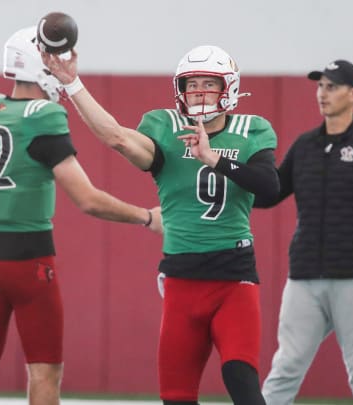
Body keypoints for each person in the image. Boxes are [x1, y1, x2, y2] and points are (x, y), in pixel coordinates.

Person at [0, 26, 162, 405]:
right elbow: (87, 199)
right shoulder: (42, 116)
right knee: (45, 369)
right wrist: (147, 217)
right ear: (42, 66)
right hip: (28, 261)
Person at [42, 45, 279, 404]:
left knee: (241, 380)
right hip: (182, 278)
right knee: (176, 397)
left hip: (234, 277)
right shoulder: (165, 126)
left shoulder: (253, 129)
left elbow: (269, 187)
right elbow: (117, 137)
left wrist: (214, 158)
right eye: (192, 82)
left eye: (208, 83)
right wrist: (74, 84)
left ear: (228, 88)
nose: (198, 91)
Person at [255, 60, 353, 405]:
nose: (322, 94)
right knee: (285, 367)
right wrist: (228, 182)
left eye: (332, 86)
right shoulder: (305, 145)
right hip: (305, 277)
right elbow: (270, 194)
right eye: (320, 86)